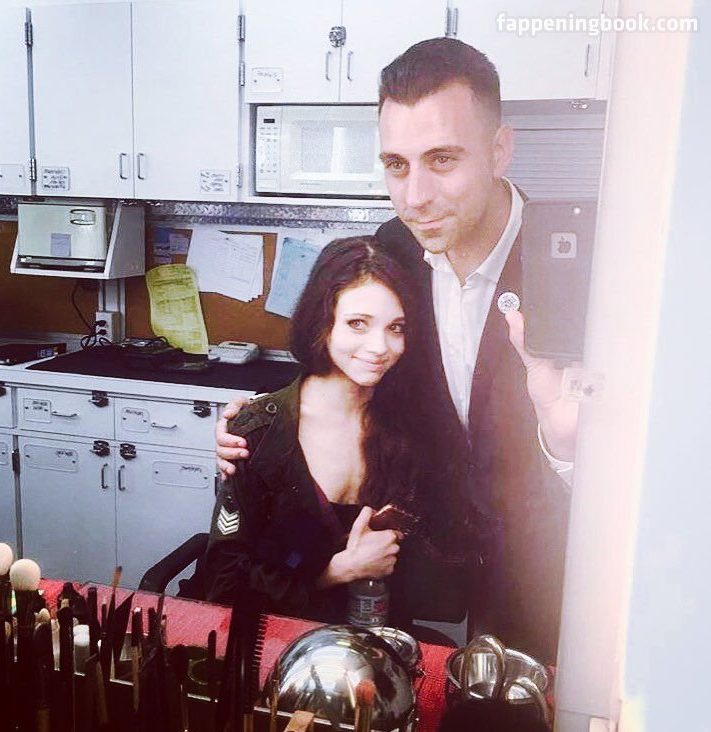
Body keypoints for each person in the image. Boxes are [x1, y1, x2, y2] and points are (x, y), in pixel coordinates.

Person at [217, 39, 578, 661]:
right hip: (421, 566)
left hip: (544, 567)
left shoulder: (574, 263)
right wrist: (255, 427)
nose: (415, 196)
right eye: (396, 164)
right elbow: (350, 370)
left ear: (500, 150)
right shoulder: (396, 249)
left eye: (442, 159)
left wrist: (567, 447)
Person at [203, 236, 475, 627]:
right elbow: (224, 582)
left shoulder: (416, 429)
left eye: (396, 327)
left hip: (378, 639)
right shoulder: (258, 431)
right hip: (278, 639)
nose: (379, 347)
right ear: (321, 323)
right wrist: (339, 570)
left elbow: (448, 563)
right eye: (357, 323)